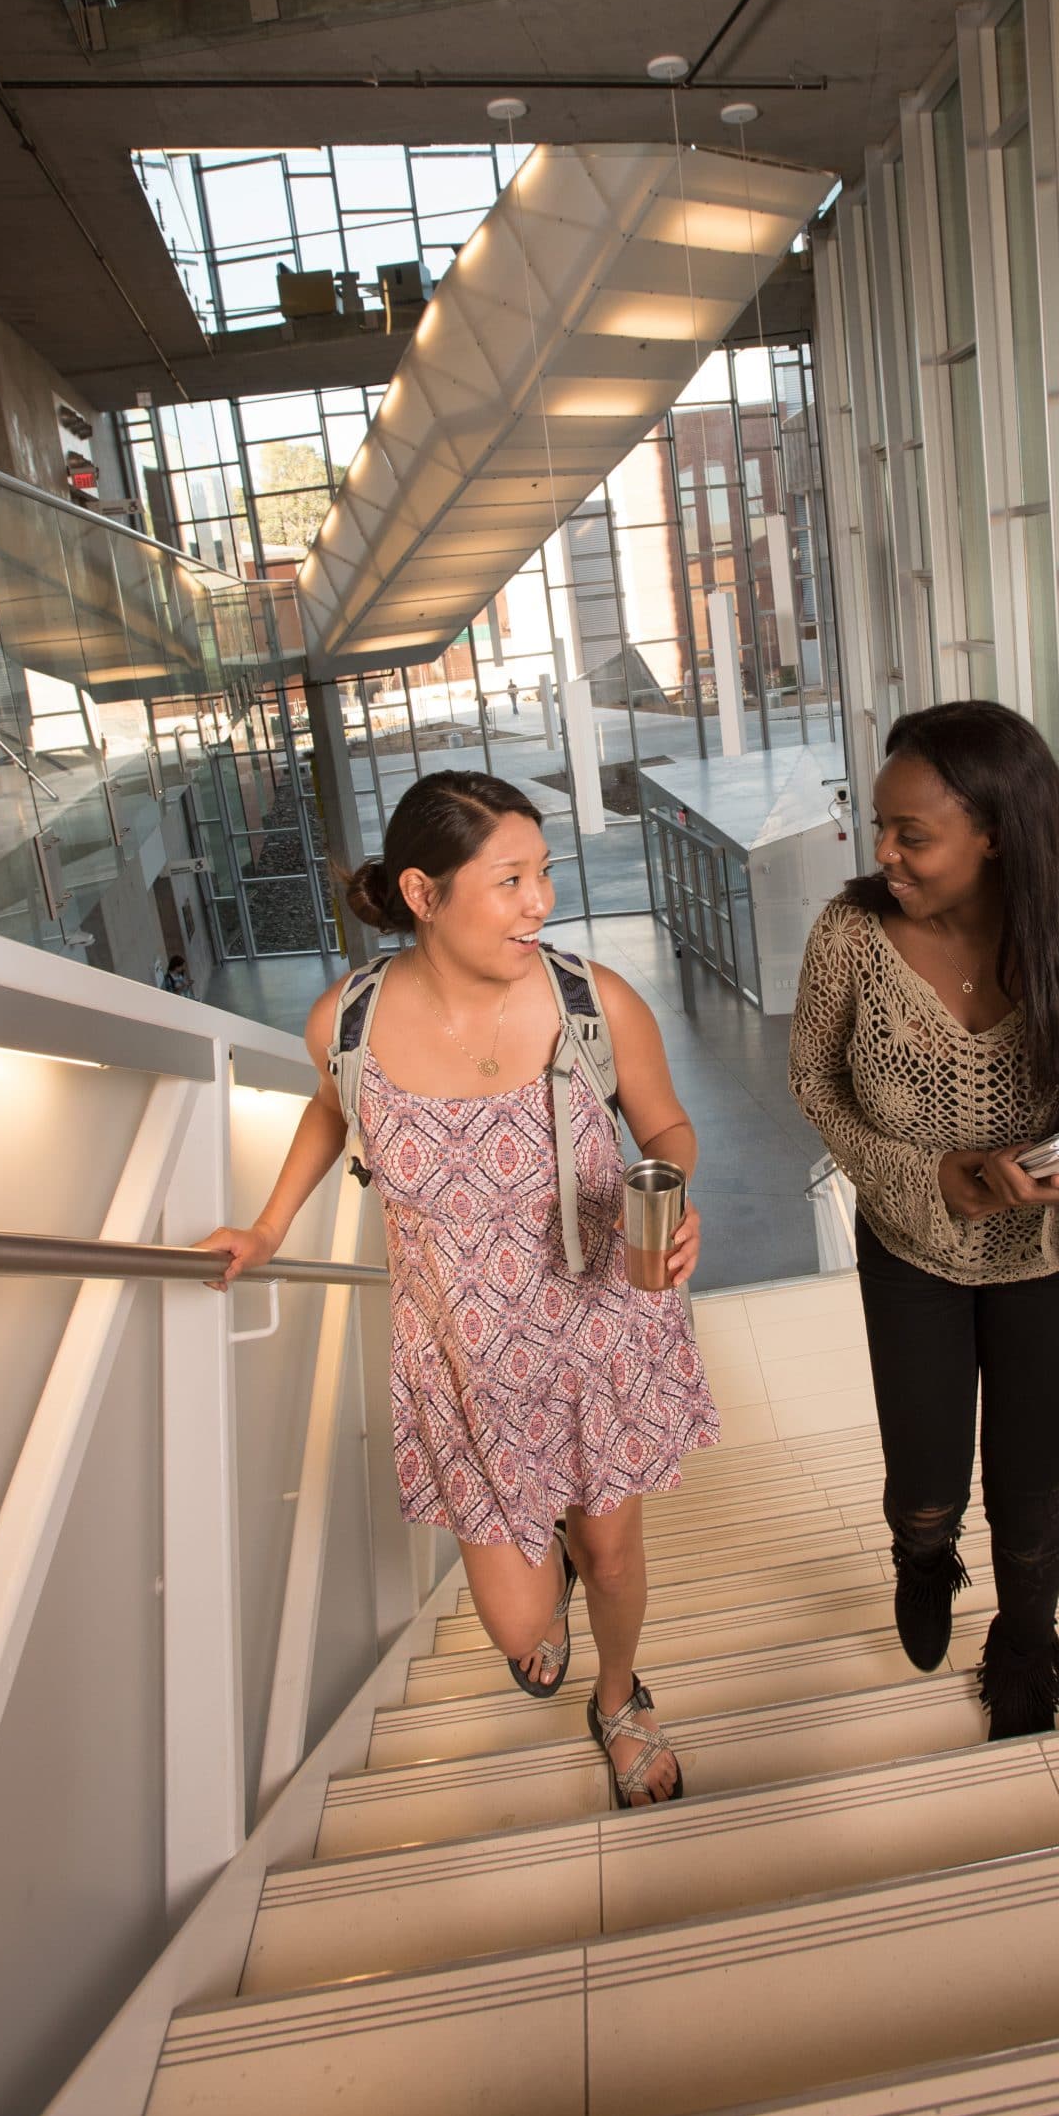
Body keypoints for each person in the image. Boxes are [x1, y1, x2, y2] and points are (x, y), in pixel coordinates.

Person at [198, 769, 719, 1806]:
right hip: (467, 1360)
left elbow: (663, 1127)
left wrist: (670, 1197)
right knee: (520, 1629)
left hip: (598, 1326)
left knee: (613, 1557)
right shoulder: (343, 1024)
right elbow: (333, 1111)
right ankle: (556, 1579)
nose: (541, 903)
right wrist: (266, 1225)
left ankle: (619, 1698)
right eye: (510, 880)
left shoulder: (591, 1003)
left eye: (544, 875)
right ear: (423, 894)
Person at [788, 702, 1059, 1742]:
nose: (881, 852)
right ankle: (922, 1561)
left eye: (909, 834)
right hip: (908, 1247)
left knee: (1029, 1494)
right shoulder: (850, 934)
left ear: (997, 832)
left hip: (1052, 1262)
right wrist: (931, 1178)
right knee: (921, 1483)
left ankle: (1025, 1640)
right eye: (876, 823)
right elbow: (815, 1081)